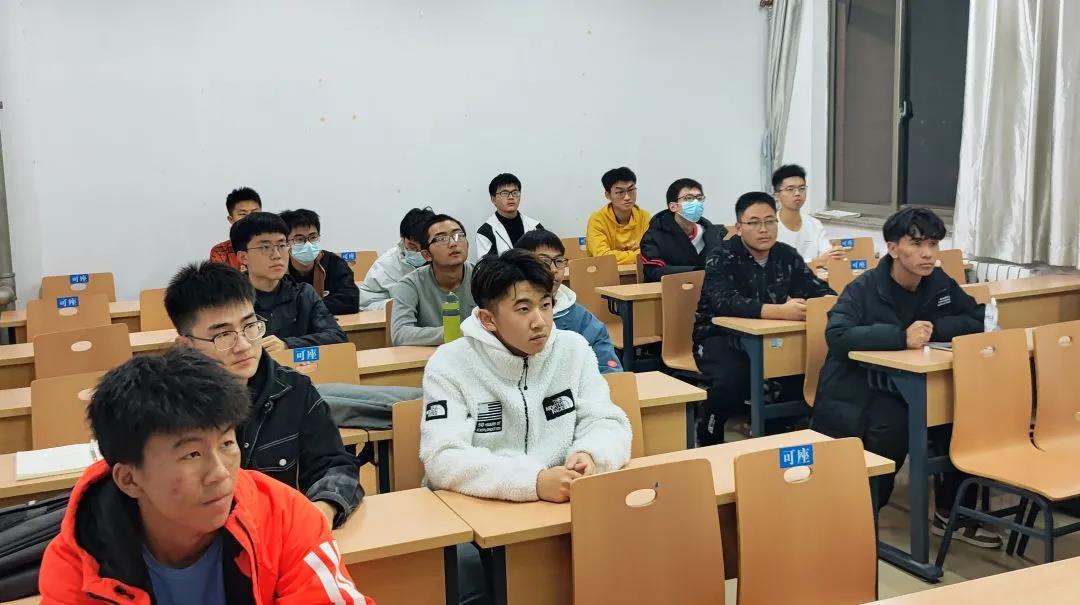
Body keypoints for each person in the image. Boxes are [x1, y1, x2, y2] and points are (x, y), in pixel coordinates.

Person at [38, 348, 373, 604]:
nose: (220, 473)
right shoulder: (78, 563)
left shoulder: (286, 517)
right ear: (129, 479)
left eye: (227, 443)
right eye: (192, 454)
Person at [811, 207, 1000, 548]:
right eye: (916, 244)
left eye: (933, 244)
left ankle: (951, 514)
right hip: (861, 390)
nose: (928, 253)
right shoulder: (863, 288)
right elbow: (837, 335)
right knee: (891, 429)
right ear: (893, 248)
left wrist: (930, 331)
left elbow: (975, 317)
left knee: (965, 421)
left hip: (915, 385)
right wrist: (900, 336)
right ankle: (856, 523)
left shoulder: (937, 282)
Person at [420, 249, 632, 502]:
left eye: (546, 305)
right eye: (523, 309)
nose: (540, 321)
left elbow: (607, 421)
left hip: (563, 498)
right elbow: (442, 456)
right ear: (488, 319)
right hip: (481, 506)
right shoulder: (450, 363)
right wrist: (533, 481)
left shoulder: (573, 349)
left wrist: (590, 454)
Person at [164, 261, 362, 529]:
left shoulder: (293, 389)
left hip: (279, 536)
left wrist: (323, 510)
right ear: (186, 345)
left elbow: (334, 464)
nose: (244, 345)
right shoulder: (164, 407)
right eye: (223, 336)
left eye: (250, 326)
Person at [692, 192, 834, 445]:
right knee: (733, 379)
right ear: (739, 227)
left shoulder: (786, 255)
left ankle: (775, 430)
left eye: (770, 221)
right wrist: (780, 311)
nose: (763, 229)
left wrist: (824, 304)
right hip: (718, 337)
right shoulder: (722, 256)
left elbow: (818, 291)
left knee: (806, 370)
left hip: (771, 338)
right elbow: (725, 302)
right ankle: (709, 431)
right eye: (754, 222)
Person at [230, 212, 347, 350]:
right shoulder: (229, 300)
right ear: (243, 257)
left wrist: (288, 345)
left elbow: (337, 337)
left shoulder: (303, 294)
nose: (277, 255)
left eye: (281, 245)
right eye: (265, 247)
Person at [515, 229, 622, 374]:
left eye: (559, 261)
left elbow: (609, 369)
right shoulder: (508, 315)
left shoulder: (581, 318)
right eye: (544, 261)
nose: (554, 270)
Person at [389, 214, 477, 346]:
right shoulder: (410, 284)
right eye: (441, 239)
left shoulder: (483, 277)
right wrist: (455, 333)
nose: (453, 243)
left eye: (458, 235)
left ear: (468, 245)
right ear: (426, 255)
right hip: (430, 356)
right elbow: (400, 334)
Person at [639, 178, 729, 282]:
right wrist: (696, 272)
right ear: (673, 206)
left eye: (699, 198)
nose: (696, 203)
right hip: (670, 290)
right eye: (689, 198)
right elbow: (654, 272)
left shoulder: (712, 233)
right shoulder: (654, 236)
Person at [279, 208, 360, 315]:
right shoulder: (277, 267)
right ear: (286, 243)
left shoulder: (334, 263)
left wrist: (306, 307)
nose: (308, 244)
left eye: (313, 237)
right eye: (299, 239)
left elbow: (351, 301)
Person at [358, 207, 435, 311]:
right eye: (412, 246)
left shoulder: (443, 260)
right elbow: (365, 304)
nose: (418, 253)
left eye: (424, 247)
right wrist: (398, 305)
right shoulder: (385, 265)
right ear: (402, 237)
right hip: (397, 318)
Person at [772, 165, 845, 268]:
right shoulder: (769, 227)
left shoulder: (815, 224)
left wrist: (835, 254)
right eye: (790, 189)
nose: (797, 193)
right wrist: (815, 263)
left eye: (802, 188)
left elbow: (826, 258)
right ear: (777, 195)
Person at [586, 167, 651, 265]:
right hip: (606, 272)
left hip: (639, 272)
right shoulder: (597, 220)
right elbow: (603, 257)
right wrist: (638, 255)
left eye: (631, 190)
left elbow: (652, 252)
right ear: (608, 195)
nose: (627, 197)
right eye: (620, 192)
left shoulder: (644, 217)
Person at [476, 173, 544, 258]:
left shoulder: (536, 227)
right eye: (504, 193)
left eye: (515, 192)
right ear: (493, 199)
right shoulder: (485, 232)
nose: (511, 197)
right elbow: (485, 264)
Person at [209, 187, 262, 271]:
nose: (250, 218)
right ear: (231, 219)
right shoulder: (221, 252)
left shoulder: (275, 246)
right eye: (243, 214)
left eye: (255, 213)